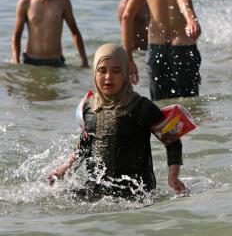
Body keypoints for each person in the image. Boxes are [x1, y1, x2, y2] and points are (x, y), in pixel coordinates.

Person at [47, 44, 186, 199]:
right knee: (54, 196)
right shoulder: (89, 107)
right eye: (102, 70)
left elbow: (172, 139)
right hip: (97, 191)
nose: (108, 77)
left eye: (116, 71)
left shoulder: (140, 106)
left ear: (125, 73)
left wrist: (173, 177)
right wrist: (65, 167)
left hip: (135, 195)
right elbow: (85, 144)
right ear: (94, 72)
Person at [11, 0, 89, 68]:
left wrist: (84, 61)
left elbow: (75, 32)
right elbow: (17, 36)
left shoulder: (63, 2)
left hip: (56, 62)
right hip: (31, 61)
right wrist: (16, 62)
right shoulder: (25, 3)